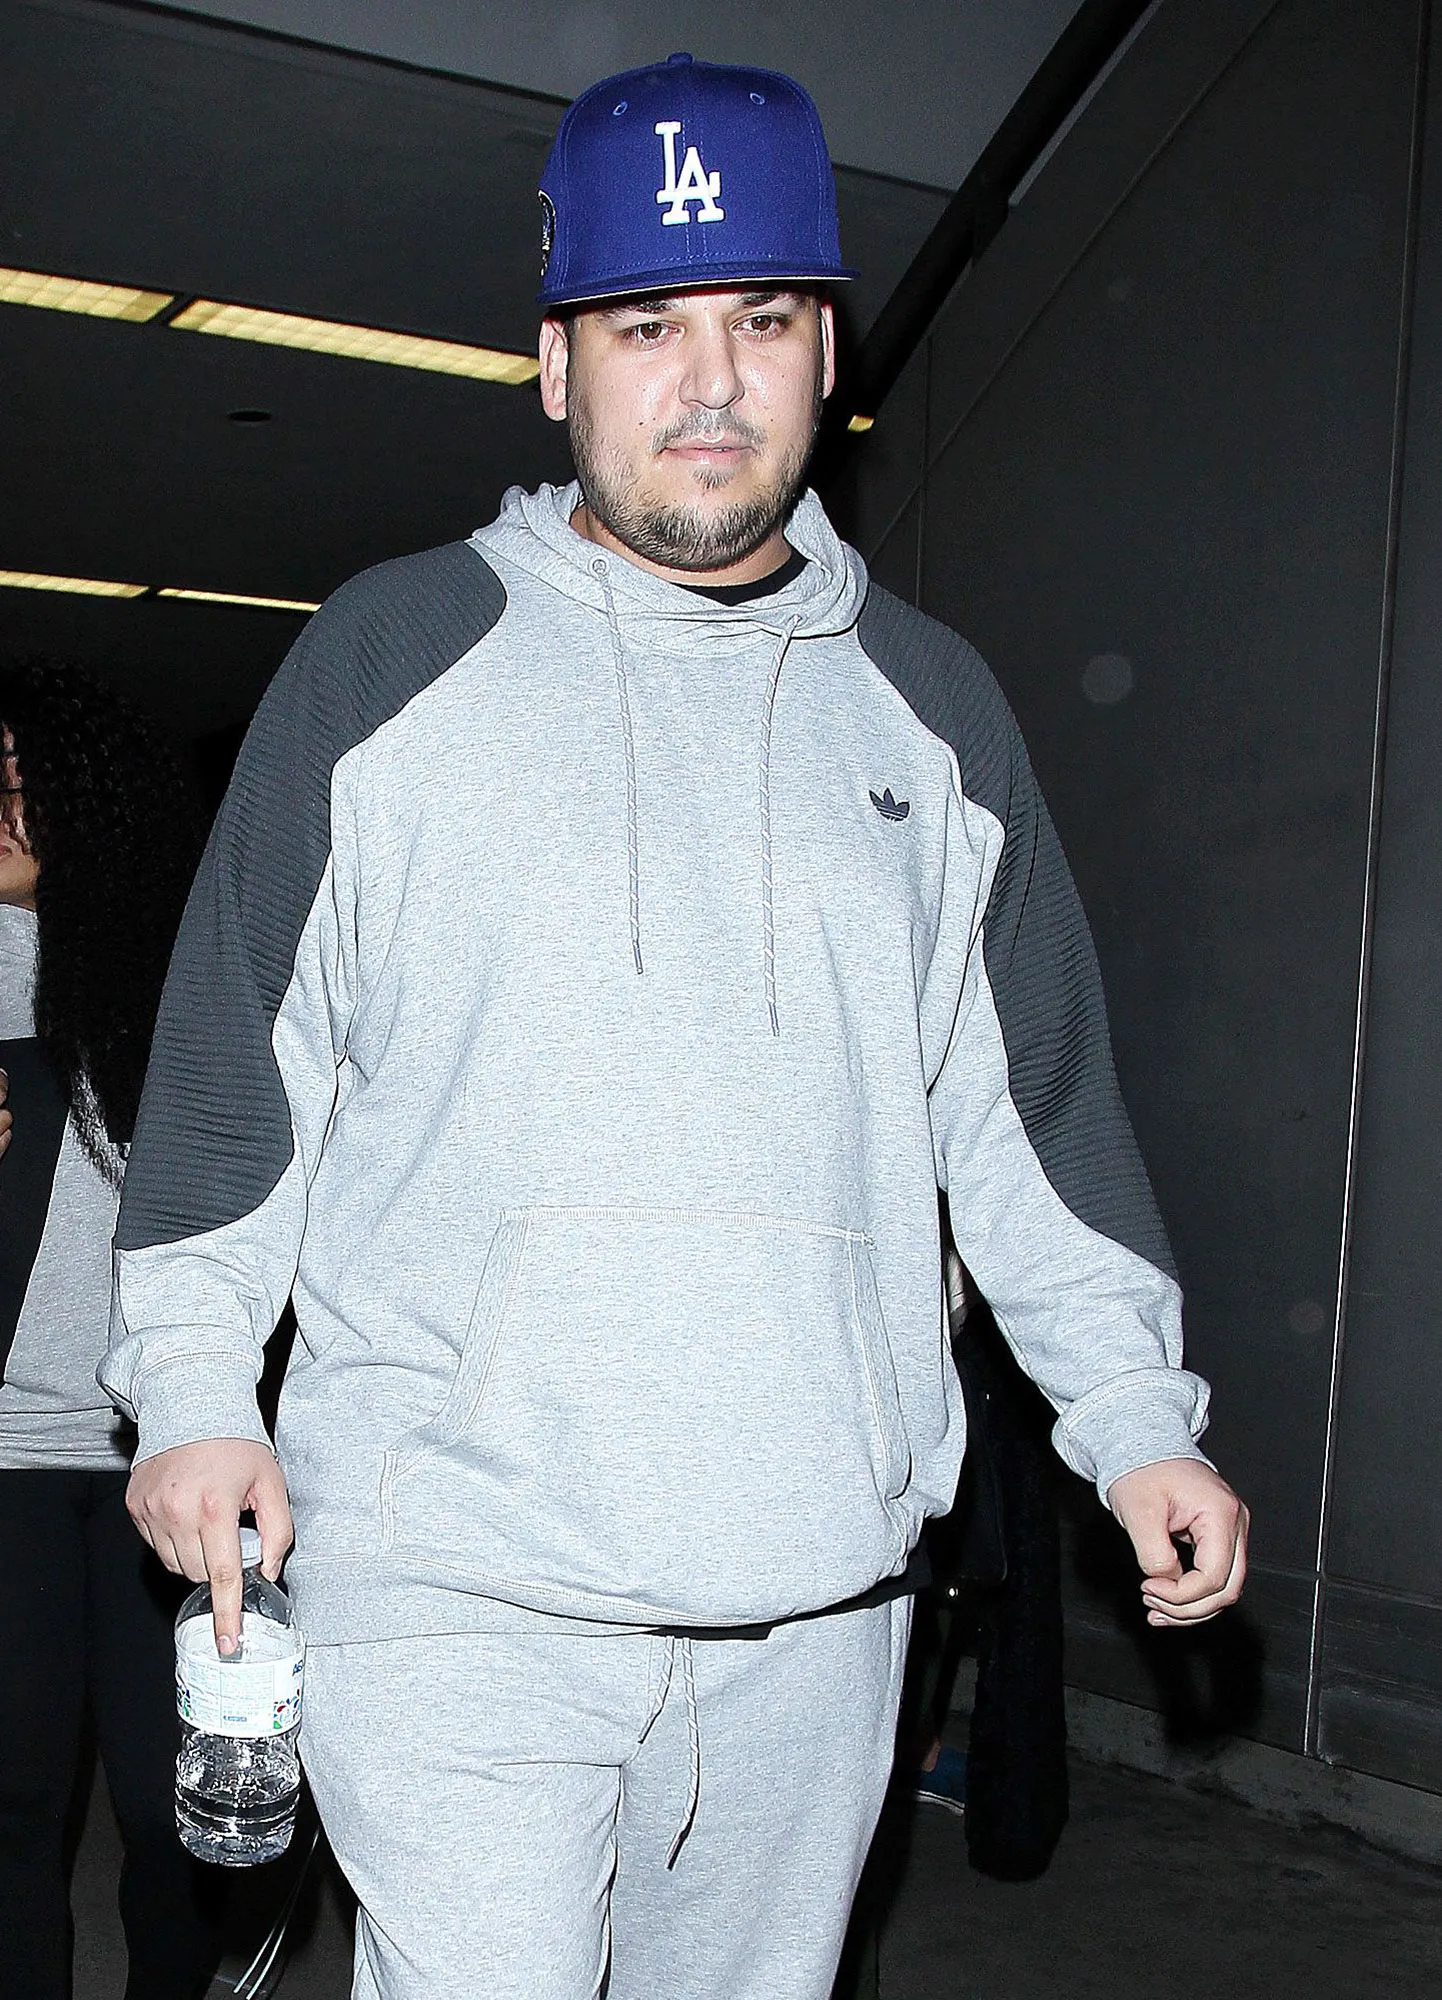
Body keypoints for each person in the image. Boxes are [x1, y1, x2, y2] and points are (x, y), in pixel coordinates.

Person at [101, 52, 1248, 2000]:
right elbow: (236, 1061)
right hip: (450, 1575)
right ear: (557, 365)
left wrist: (1133, 1418)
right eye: (647, 325)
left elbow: (1029, 1111)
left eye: (762, 321)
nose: (709, 381)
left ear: (827, 360)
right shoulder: (391, 660)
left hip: (813, 1597)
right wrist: (197, 1381)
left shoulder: (931, 711)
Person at [0, 660, 218, 1999]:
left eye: (24, 785)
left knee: (170, 1803)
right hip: (9, 1453)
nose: (0, 813)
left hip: (164, 1450)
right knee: (17, 1799)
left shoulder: (178, 979)